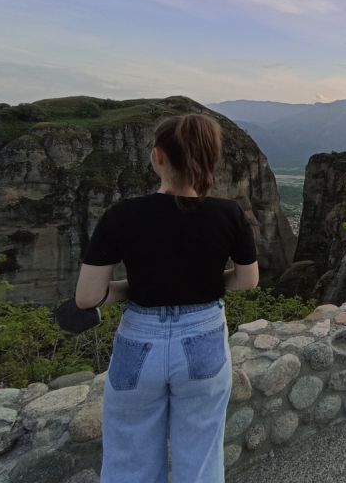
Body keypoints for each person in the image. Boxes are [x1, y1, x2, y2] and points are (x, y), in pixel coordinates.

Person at [74, 114, 259, 483]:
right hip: (203, 338)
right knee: (201, 463)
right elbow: (247, 280)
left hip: (138, 343)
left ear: (158, 157)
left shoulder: (122, 216)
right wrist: (201, 282)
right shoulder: (229, 214)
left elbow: (87, 297)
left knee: (129, 464)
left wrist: (137, 288)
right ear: (211, 159)